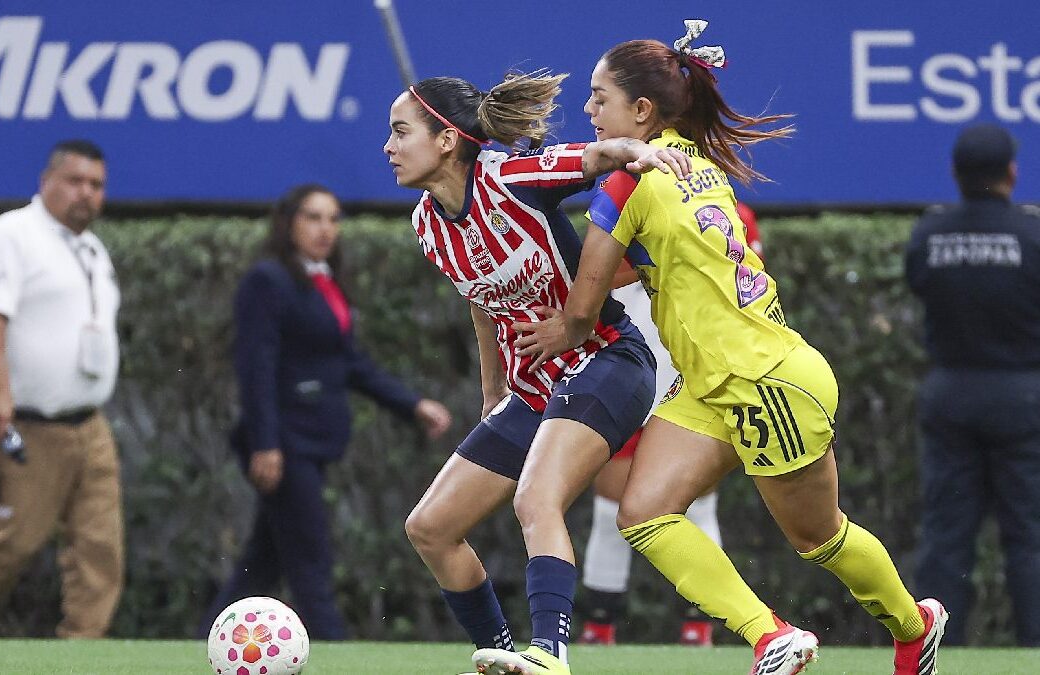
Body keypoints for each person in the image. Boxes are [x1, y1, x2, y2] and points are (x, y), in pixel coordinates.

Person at [511, 22, 947, 675]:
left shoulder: (628, 184)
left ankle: (915, 627)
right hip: (721, 382)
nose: (588, 111)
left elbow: (584, 302)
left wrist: (553, 320)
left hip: (764, 382)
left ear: (641, 111)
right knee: (644, 511)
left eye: (599, 98)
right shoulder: (691, 159)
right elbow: (642, 264)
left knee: (818, 537)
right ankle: (771, 635)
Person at [383, 71, 693, 675]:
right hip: (534, 391)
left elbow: (598, 156)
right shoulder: (427, 222)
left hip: (610, 361)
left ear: (447, 140)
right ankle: (502, 655)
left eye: (400, 132)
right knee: (431, 528)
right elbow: (480, 297)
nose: (388, 147)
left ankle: (550, 655)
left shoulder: (509, 177)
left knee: (535, 499)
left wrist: (640, 152)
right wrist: (493, 389)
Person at [201, 184, 453, 640]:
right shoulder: (268, 280)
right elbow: (256, 368)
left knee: (263, 560)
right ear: (289, 223)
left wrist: (412, 405)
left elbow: (349, 363)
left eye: (333, 219)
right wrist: (265, 445)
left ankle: (206, 642)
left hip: (314, 442)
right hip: (286, 444)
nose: (325, 229)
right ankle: (336, 650)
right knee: (310, 558)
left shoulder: (323, 279)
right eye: (313, 218)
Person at [578, 203, 762, 648]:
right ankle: (599, 630)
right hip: (626, 365)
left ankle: (700, 629)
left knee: (698, 507)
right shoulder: (619, 199)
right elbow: (596, 283)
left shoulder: (734, 211)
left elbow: (746, 295)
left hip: (694, 372)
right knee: (610, 508)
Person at [0, 139, 124, 638]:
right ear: (46, 180)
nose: (86, 194)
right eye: (74, 181)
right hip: (25, 423)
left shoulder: (90, 247)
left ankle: (82, 651)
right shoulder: (12, 235)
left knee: (101, 546)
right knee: (13, 543)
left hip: (88, 423)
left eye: (96, 185)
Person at [906, 123, 1040, 647]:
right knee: (1029, 534)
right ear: (1012, 172)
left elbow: (920, 285)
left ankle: (936, 650)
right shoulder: (1032, 235)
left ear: (955, 174)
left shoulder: (930, 235)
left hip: (951, 394)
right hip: (1023, 396)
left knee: (945, 536)